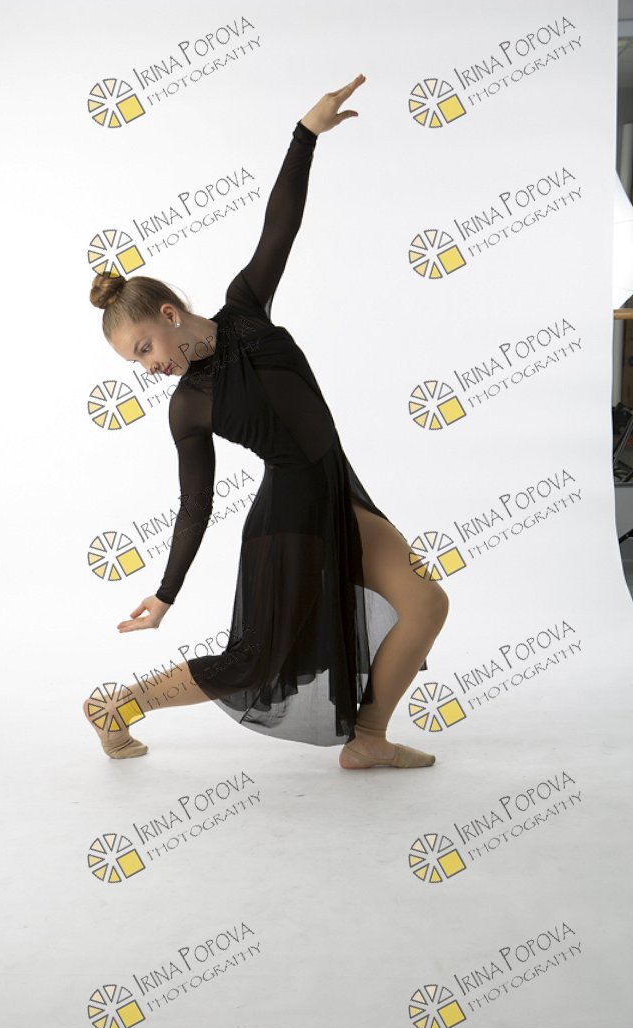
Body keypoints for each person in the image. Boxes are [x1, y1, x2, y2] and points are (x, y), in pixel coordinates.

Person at [84, 73, 449, 770]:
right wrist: (165, 594)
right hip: (287, 517)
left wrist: (305, 134)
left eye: (145, 349)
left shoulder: (246, 309)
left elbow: (281, 222)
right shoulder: (188, 406)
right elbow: (196, 503)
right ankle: (116, 707)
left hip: (335, 490)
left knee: (427, 605)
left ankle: (367, 740)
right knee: (254, 662)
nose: (149, 367)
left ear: (169, 315)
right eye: (137, 362)